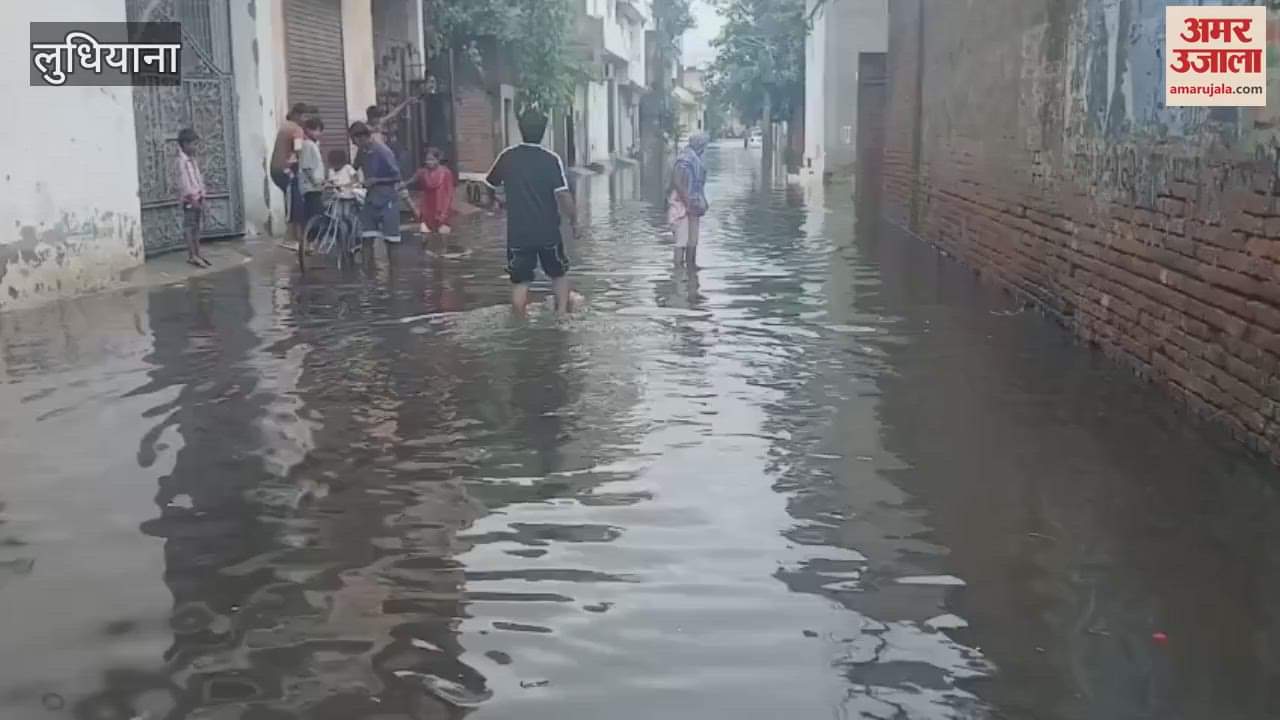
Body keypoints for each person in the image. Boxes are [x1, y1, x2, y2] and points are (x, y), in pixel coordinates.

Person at [485, 110, 578, 315]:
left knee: (520, 282)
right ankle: (561, 318)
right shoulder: (551, 159)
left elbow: (489, 184)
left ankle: (519, 324)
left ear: (521, 129)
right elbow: (563, 196)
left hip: (518, 234)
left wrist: (495, 202)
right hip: (548, 233)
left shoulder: (507, 157)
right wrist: (574, 221)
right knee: (558, 274)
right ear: (544, 132)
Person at [349, 121, 402, 244]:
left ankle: (393, 263)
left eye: (354, 139)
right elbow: (354, 168)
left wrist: (376, 180)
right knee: (366, 237)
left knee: (391, 241)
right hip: (371, 198)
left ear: (362, 137)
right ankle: (367, 263)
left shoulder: (383, 152)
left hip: (387, 198)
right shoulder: (362, 151)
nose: (353, 143)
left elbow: (397, 176)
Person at [270, 102, 313, 248]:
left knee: (293, 201)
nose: (304, 119)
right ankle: (290, 238)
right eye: (303, 115)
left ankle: (295, 237)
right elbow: (298, 150)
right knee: (294, 203)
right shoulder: (296, 129)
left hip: (276, 170)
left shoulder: (285, 126)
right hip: (286, 170)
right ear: (296, 115)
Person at [668, 133, 710, 268]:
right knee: (681, 241)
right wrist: (687, 202)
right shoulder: (684, 159)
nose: (704, 149)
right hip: (681, 205)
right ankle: (679, 272)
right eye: (703, 145)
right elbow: (677, 181)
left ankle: (691, 271)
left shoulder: (696, 159)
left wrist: (700, 201)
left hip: (694, 204)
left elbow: (698, 184)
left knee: (692, 241)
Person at [174, 128, 210, 268]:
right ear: (184, 144)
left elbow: (197, 178)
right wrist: (191, 197)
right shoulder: (181, 162)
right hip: (190, 200)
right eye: (192, 144)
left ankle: (198, 253)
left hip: (197, 197)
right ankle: (192, 255)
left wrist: (202, 193)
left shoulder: (192, 160)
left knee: (196, 227)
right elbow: (184, 182)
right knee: (189, 227)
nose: (195, 147)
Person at [409, 147, 455, 236]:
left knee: (441, 238)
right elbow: (411, 180)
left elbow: (449, 194)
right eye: (427, 160)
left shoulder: (446, 173)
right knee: (426, 236)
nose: (429, 162)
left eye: (432, 160)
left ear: (438, 160)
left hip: (441, 208)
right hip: (427, 210)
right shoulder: (422, 172)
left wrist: (444, 213)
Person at [297, 117, 327, 233]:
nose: (319, 133)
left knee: (313, 216)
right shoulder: (308, 145)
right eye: (318, 130)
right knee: (316, 217)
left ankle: (309, 243)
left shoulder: (312, 144)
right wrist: (315, 183)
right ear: (309, 130)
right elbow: (307, 168)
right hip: (311, 188)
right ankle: (312, 242)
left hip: (314, 186)